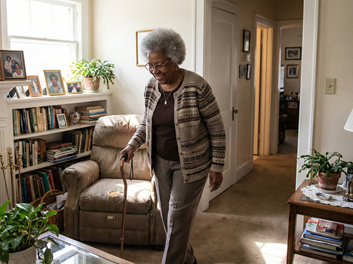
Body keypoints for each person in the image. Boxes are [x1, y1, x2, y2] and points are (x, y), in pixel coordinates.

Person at [120, 28, 226, 264]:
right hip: (160, 162)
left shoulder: (197, 87)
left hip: (191, 166)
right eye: (151, 66)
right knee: (168, 218)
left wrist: (217, 167)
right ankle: (188, 261)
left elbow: (217, 130)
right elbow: (146, 124)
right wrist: (132, 146)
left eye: (160, 65)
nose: (155, 71)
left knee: (177, 221)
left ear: (175, 59)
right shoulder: (150, 87)